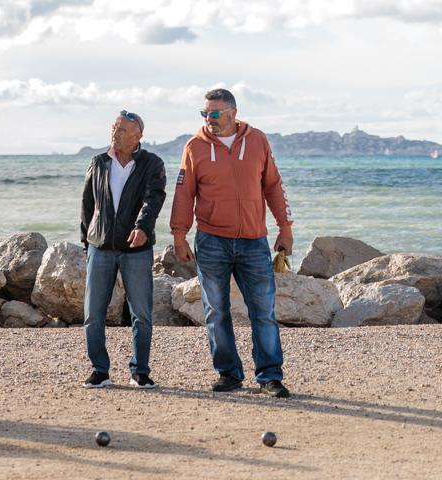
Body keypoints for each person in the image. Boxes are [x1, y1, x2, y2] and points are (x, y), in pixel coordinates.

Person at [170, 88, 294, 398]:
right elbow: (184, 194)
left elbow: (274, 186)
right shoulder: (195, 146)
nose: (208, 119)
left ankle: (269, 377)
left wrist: (285, 227)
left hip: (254, 242)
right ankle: (228, 374)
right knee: (216, 311)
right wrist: (179, 234)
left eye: (214, 113)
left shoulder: (257, 140)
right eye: (205, 114)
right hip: (212, 241)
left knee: (263, 310)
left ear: (232, 113)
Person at [79, 110, 167, 389]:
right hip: (100, 247)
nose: (114, 134)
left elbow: (153, 199)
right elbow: (87, 207)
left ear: (137, 136)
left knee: (141, 313)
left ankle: (139, 372)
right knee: (93, 313)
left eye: (121, 130)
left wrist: (142, 227)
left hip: (136, 250)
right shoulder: (98, 162)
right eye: (114, 128)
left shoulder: (152, 163)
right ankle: (99, 371)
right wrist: (87, 243)